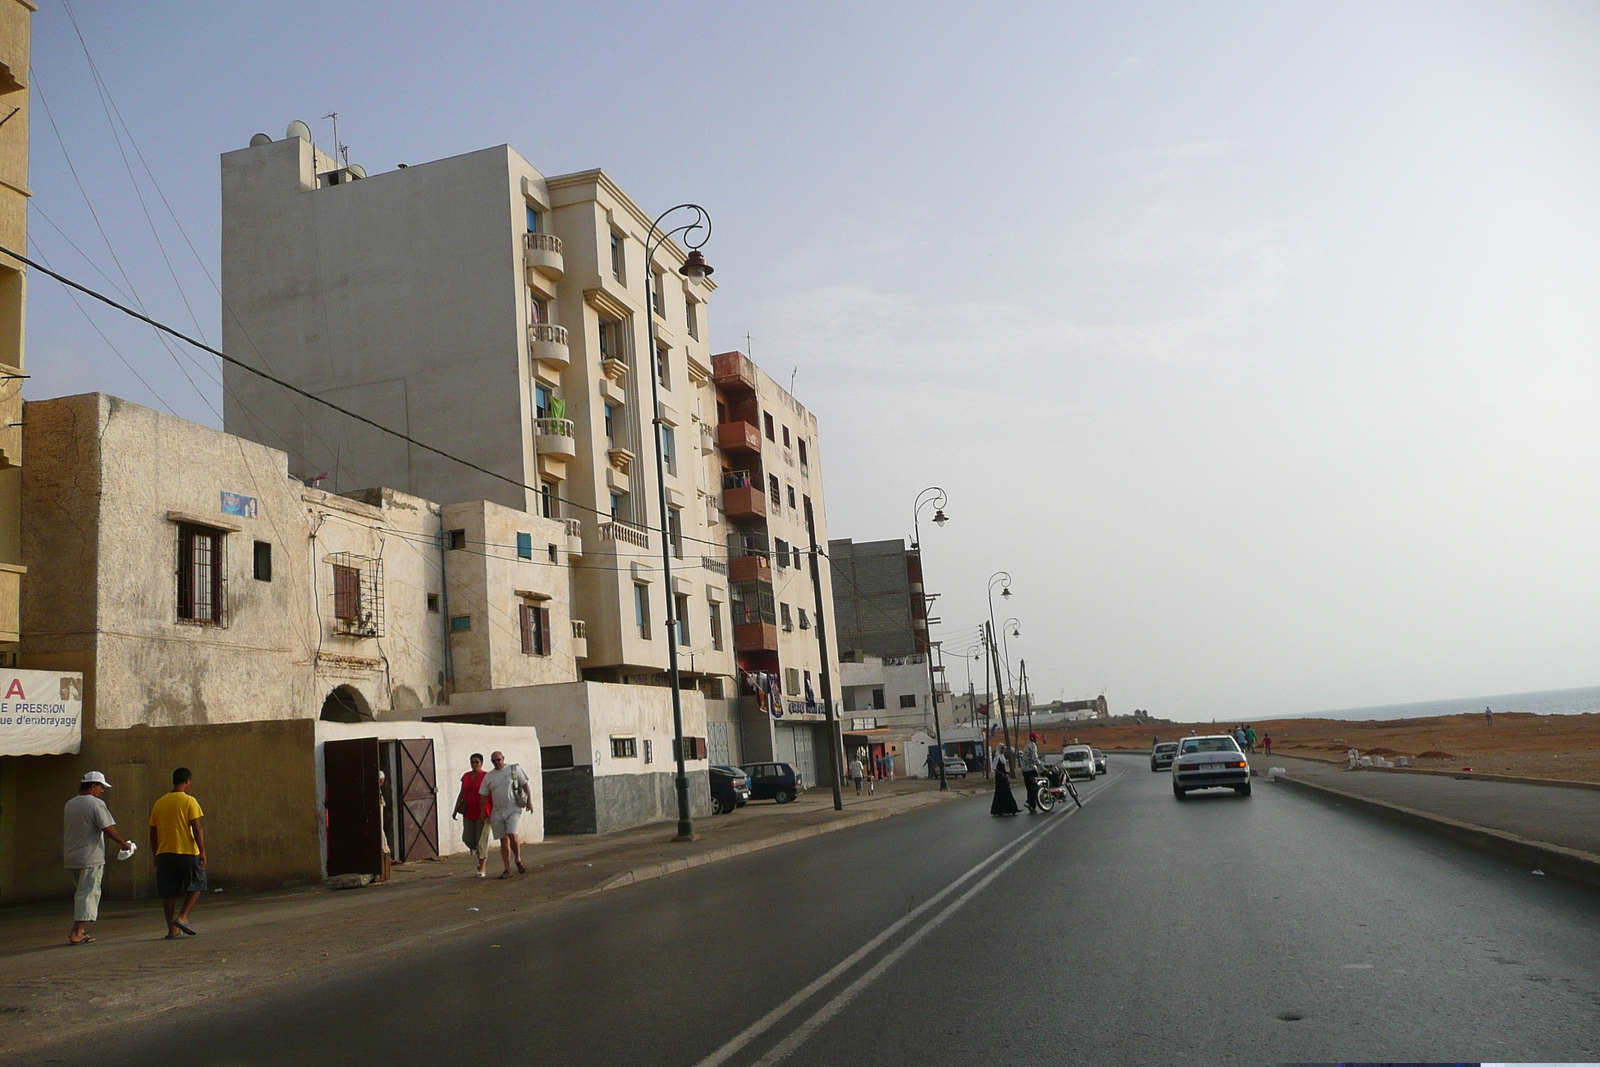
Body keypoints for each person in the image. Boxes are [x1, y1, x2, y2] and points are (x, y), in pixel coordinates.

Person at [63, 771, 135, 945]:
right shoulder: (96, 804)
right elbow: (107, 828)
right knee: (88, 894)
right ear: (94, 786)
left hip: (72, 857)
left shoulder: (70, 804)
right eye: (101, 787)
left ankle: (81, 929)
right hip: (90, 857)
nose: (102, 790)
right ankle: (77, 932)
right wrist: (123, 843)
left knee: (81, 893)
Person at [149, 767, 206, 940]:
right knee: (198, 883)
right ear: (187, 781)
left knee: (168, 892)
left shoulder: (159, 802)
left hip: (165, 853)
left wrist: (156, 853)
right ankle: (183, 916)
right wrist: (202, 851)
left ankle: (171, 929)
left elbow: (153, 831)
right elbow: (196, 827)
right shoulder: (189, 801)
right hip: (187, 851)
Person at [479, 751, 532, 879]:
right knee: (503, 839)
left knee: (512, 835)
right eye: (494, 761)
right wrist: (482, 812)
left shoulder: (513, 769)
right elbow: (484, 795)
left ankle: (518, 859)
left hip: (513, 808)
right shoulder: (489, 776)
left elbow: (525, 786)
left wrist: (529, 802)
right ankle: (507, 869)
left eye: (498, 760)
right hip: (497, 811)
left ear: (503, 758)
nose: (497, 763)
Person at [453, 753, 492, 878]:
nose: (474, 764)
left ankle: (482, 866)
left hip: (483, 812)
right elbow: (462, 793)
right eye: (472, 762)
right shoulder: (466, 776)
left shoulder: (486, 776)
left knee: (482, 839)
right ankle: (477, 851)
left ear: (482, 763)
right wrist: (455, 809)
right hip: (468, 811)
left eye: (477, 762)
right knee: (468, 838)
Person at [990, 746, 1020, 816]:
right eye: (1003, 749)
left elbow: (1003, 768)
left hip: (1004, 777)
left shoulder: (1002, 757)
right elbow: (994, 768)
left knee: (1007, 792)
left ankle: (1011, 809)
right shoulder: (997, 757)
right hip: (999, 778)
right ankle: (998, 810)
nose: (1004, 750)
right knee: (1000, 793)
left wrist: (1007, 773)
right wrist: (1001, 774)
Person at [1019, 733, 1045, 813]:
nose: (1037, 740)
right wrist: (1043, 767)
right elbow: (1035, 759)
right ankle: (1031, 802)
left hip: (1024, 770)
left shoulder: (1026, 746)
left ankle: (1031, 804)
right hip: (1031, 769)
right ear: (1034, 739)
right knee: (1035, 787)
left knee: (1029, 788)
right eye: (1036, 738)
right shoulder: (1033, 746)